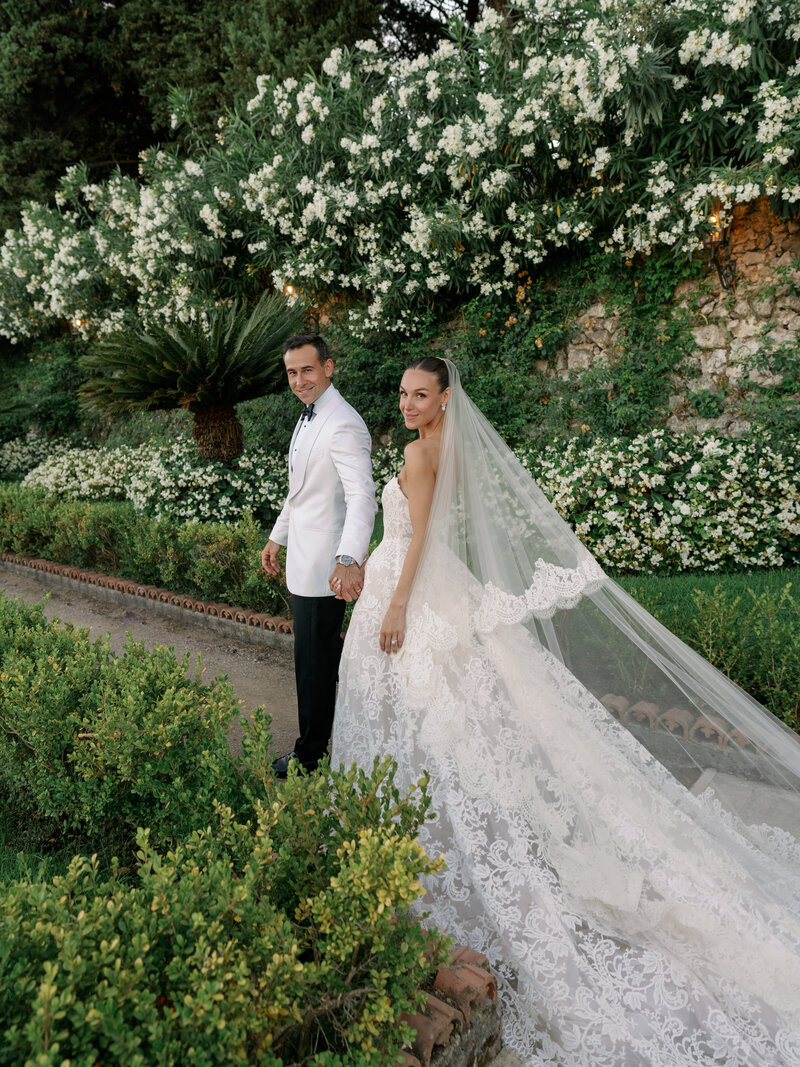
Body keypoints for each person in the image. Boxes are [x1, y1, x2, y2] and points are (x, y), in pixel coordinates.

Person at [331, 355, 800, 1066]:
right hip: (414, 584)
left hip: (409, 588)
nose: (406, 403)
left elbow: (421, 537)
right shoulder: (438, 444)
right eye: (402, 393)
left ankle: (421, 835)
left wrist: (395, 604)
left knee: (431, 721)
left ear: (444, 398)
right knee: (433, 721)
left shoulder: (421, 453)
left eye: (419, 394)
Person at [263, 333, 376, 778]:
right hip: (302, 561)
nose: (298, 380)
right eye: (291, 372)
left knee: (314, 667)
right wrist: (277, 538)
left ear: (328, 368)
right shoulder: (309, 416)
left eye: (307, 369)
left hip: (326, 569)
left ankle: (309, 757)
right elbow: (300, 493)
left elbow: (362, 496)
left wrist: (348, 560)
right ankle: (326, 741)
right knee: (316, 661)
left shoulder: (343, 422)